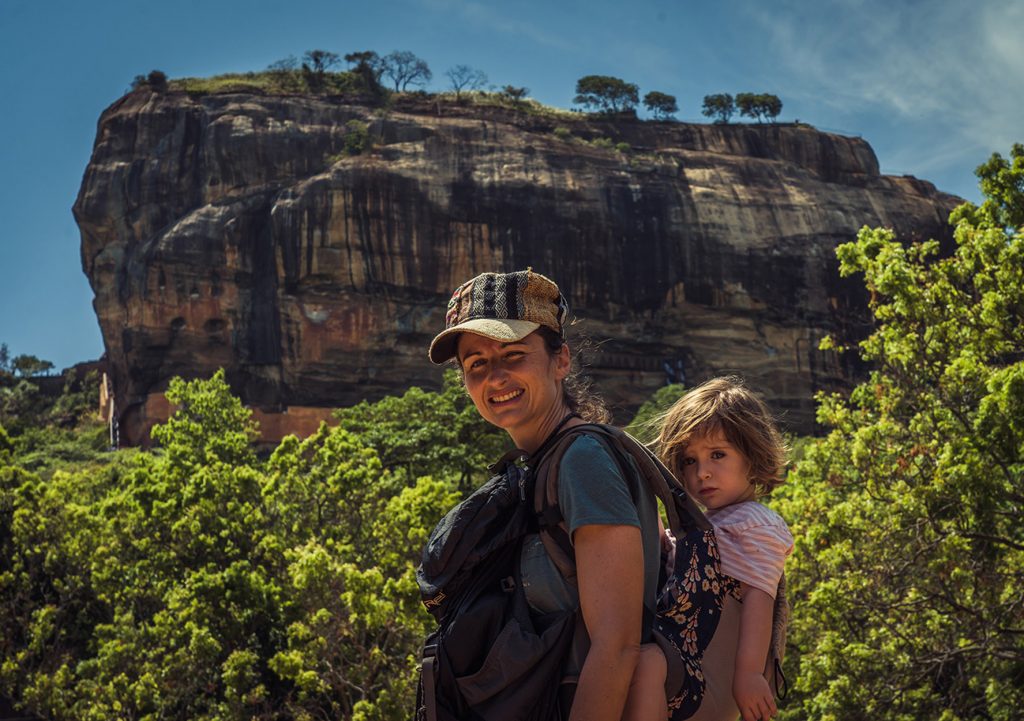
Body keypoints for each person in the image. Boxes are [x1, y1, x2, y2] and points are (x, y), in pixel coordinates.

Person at [427, 269, 668, 721]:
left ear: (560, 361)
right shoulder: (541, 463)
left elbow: (617, 647)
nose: (495, 377)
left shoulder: (583, 460)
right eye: (476, 363)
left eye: (514, 354)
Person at [655, 377, 795, 721]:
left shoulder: (754, 522)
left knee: (645, 667)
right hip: (680, 669)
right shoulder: (704, 526)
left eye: (718, 455)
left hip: (713, 684)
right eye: (689, 461)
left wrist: (747, 675)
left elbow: (759, 598)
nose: (702, 472)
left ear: (752, 455)